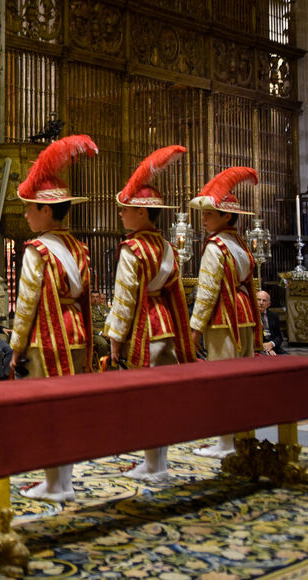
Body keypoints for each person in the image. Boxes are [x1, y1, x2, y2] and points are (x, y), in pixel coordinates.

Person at [10, 134, 98, 503]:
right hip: (76, 334)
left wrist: (16, 347)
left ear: (47, 211)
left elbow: (27, 302)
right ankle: (65, 481)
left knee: (48, 410)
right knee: (71, 409)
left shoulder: (38, 251)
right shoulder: (79, 247)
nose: (25, 213)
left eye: (30, 207)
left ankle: (52, 483)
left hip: (48, 338)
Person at [103, 145, 198, 483]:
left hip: (143, 328)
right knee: (162, 400)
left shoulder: (133, 249)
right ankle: (158, 461)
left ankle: (152, 464)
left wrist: (115, 337)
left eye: (126, 209)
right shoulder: (167, 247)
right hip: (167, 326)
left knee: (146, 400)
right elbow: (175, 290)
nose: (121, 214)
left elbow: (125, 297)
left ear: (142, 213)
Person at [189, 167, 262, 459]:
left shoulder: (216, 246)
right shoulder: (240, 245)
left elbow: (206, 292)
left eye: (209, 214)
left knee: (223, 379)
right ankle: (243, 437)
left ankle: (225, 442)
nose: (204, 219)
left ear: (226, 216)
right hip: (243, 313)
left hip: (223, 318)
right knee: (242, 379)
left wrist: (195, 329)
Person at [257, 290, 285, 355]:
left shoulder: (274, 316)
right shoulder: (250, 316)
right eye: (258, 300)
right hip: (258, 349)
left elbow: (279, 337)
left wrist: (271, 344)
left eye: (264, 300)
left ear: (269, 304)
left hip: (274, 347)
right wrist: (265, 347)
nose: (261, 303)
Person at [89, 290, 111, 364]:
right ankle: (102, 364)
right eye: (93, 297)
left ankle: (115, 362)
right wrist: (101, 333)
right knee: (103, 344)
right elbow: (89, 326)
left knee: (117, 340)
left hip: (107, 331)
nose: (95, 299)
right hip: (95, 333)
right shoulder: (89, 309)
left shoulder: (104, 307)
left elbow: (110, 319)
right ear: (90, 298)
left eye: (97, 297)